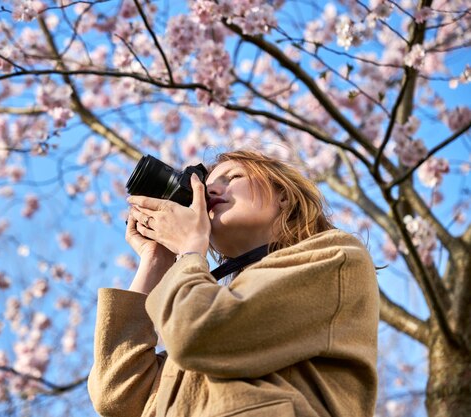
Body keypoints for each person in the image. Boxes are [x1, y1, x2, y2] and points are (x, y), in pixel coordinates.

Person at [88, 150, 379, 417]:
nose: (211, 191)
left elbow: (197, 334)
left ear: (284, 196)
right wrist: (156, 261)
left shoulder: (336, 257)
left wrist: (191, 248)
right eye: (204, 189)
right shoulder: (211, 313)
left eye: (234, 177)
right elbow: (117, 394)